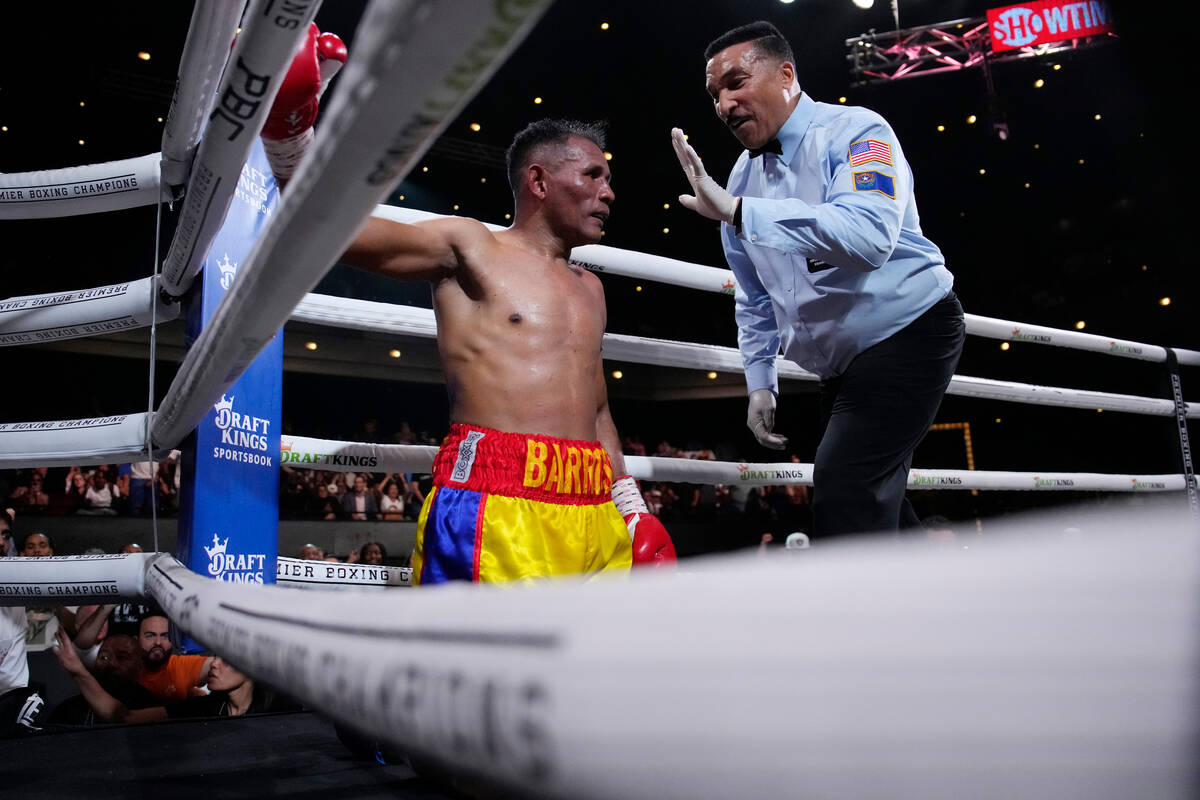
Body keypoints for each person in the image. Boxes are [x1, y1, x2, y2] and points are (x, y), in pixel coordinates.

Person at [326, 118, 676, 583]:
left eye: (608, 180)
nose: (608, 192)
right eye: (593, 175)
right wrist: (294, 153)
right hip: (496, 501)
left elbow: (597, 410)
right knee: (484, 656)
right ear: (539, 181)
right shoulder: (472, 247)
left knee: (588, 653)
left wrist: (630, 506)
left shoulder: (591, 288)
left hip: (594, 505)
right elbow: (344, 237)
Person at [672, 21, 965, 537]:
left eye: (736, 83)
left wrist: (742, 213)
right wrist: (760, 381)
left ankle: (856, 616)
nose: (723, 104)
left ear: (786, 74)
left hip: (907, 333)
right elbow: (754, 294)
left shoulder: (858, 131)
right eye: (715, 94)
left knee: (846, 492)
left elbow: (870, 237)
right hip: (842, 367)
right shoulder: (740, 178)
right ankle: (944, 607)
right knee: (880, 505)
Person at [134, 615, 212, 703]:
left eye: (165, 636)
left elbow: (221, 666)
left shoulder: (179, 665)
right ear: (136, 640)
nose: (158, 642)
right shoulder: (125, 668)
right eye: (150, 636)